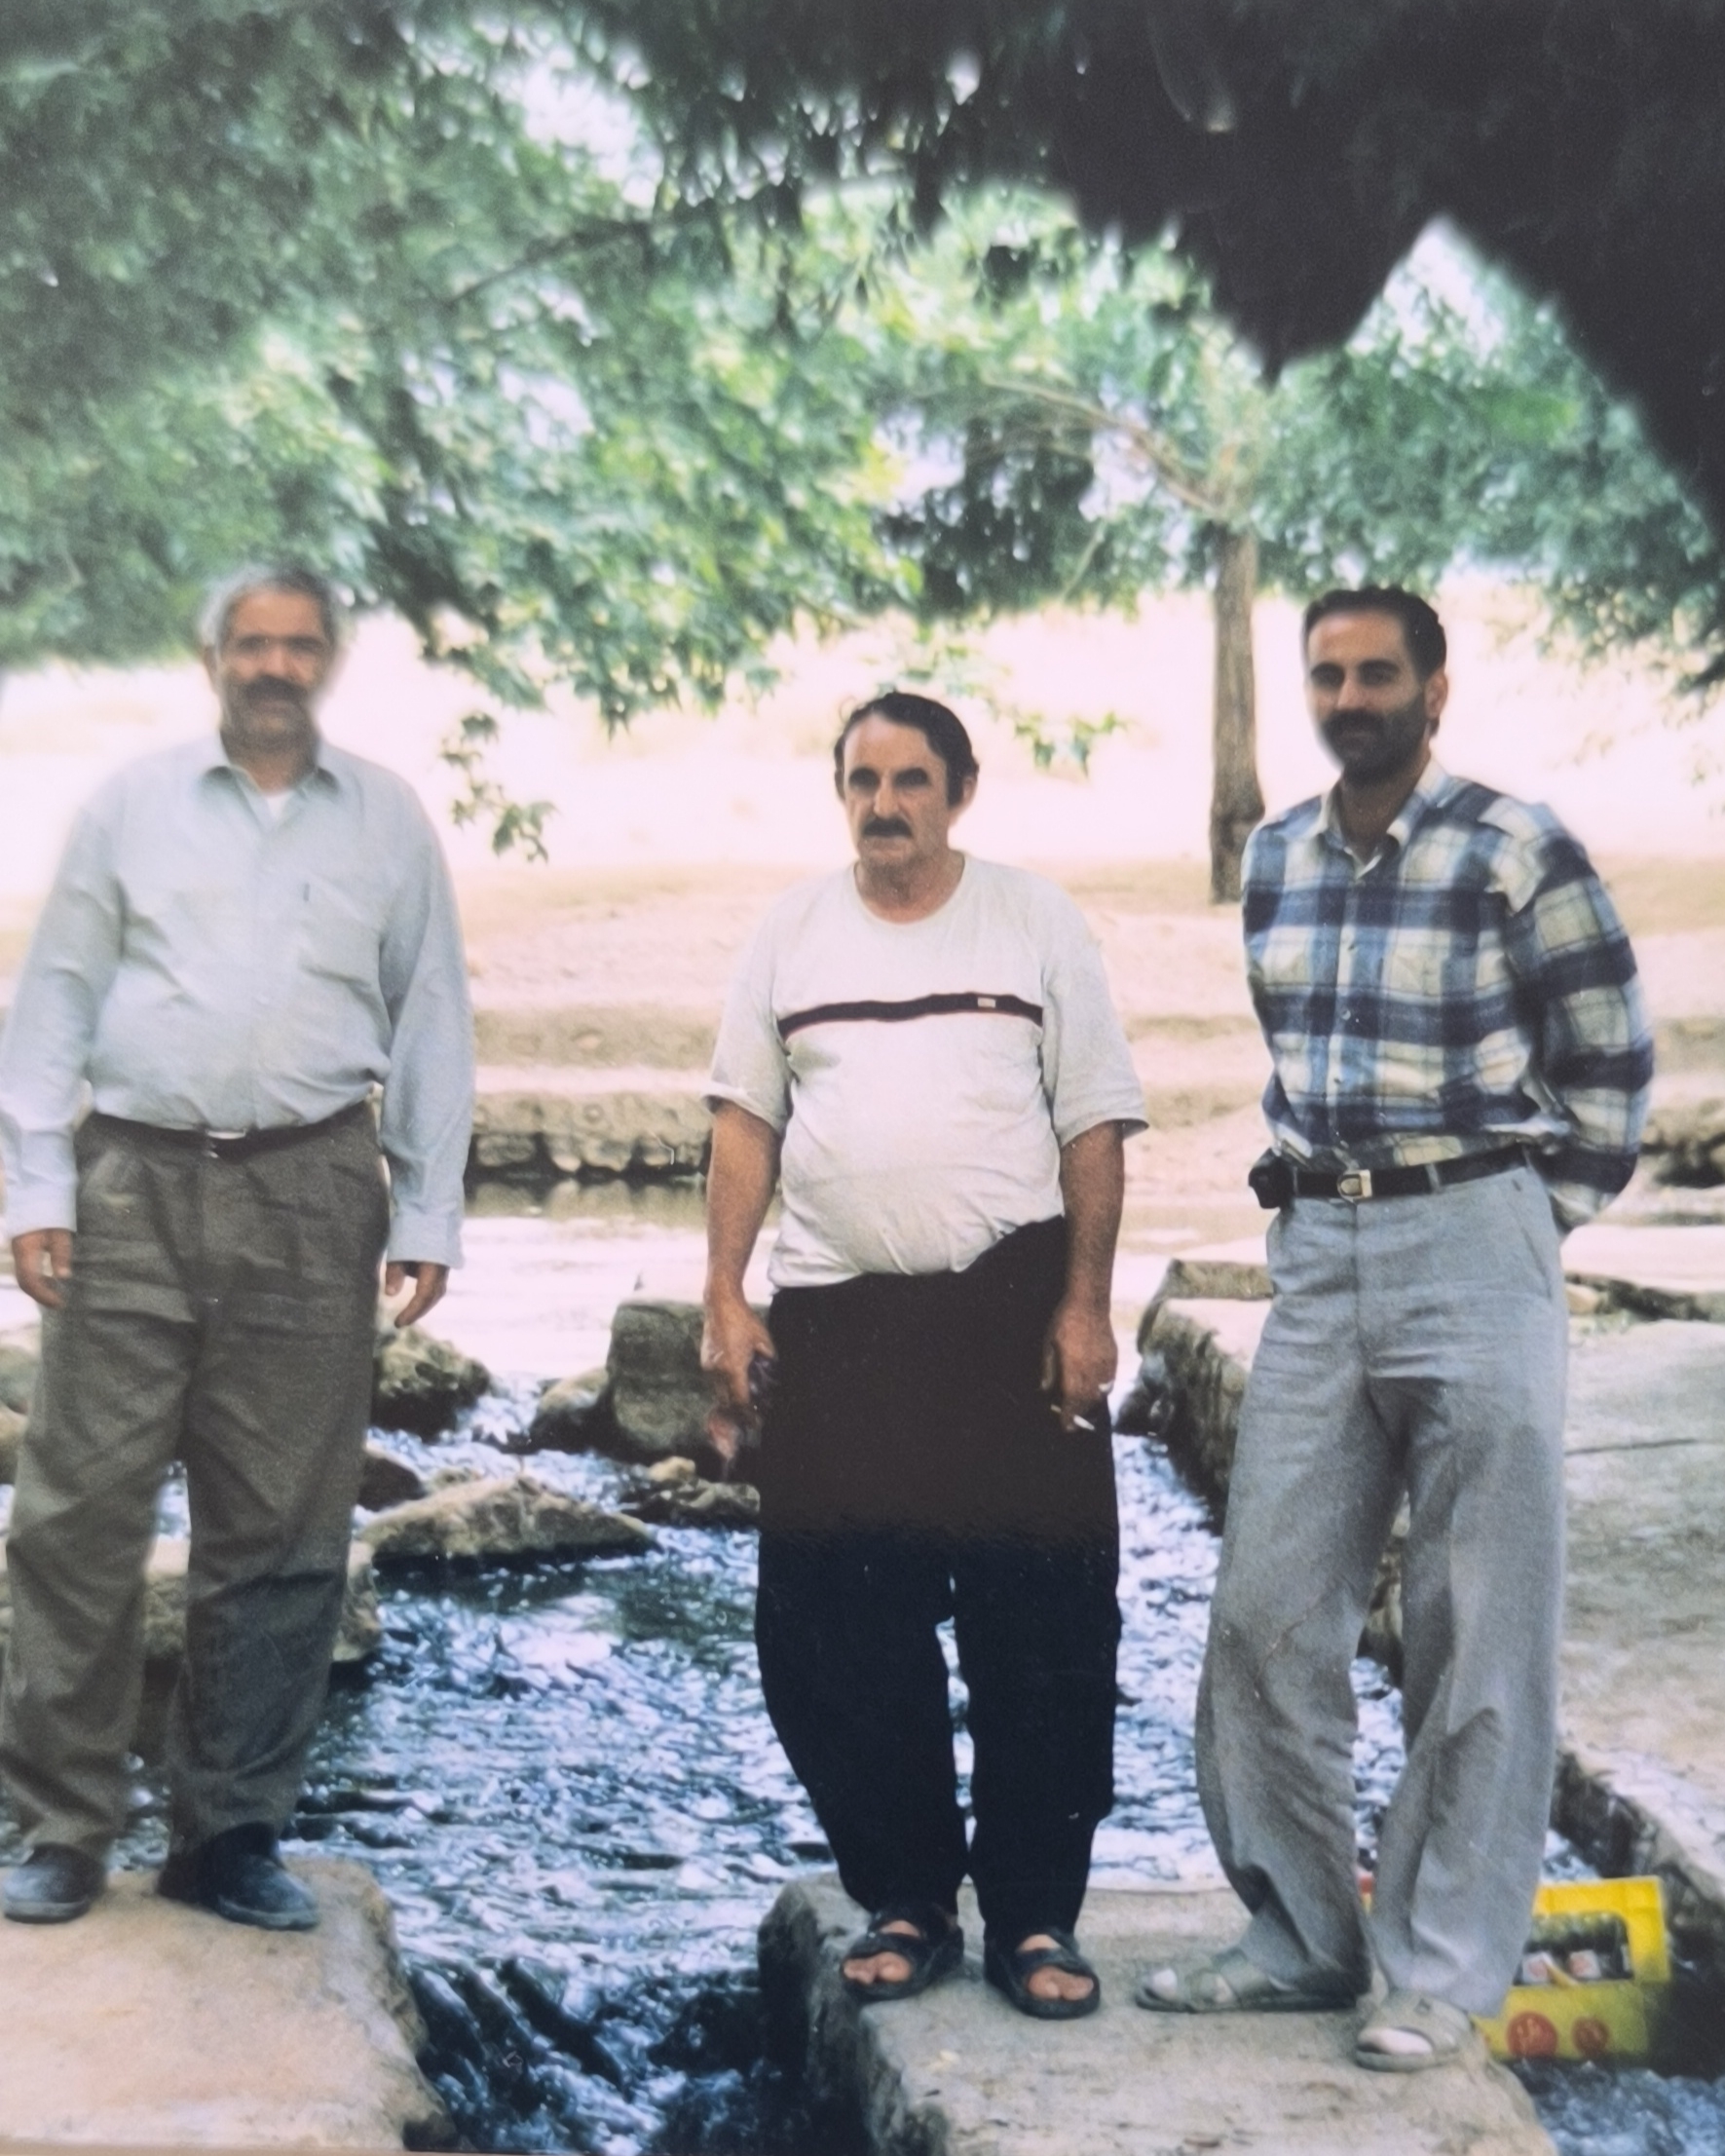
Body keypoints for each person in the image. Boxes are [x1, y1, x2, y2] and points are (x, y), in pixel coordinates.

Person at [1138, 588, 1653, 2068]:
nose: (1349, 698)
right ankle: (1301, 1937)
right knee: (1265, 1609)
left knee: (1476, 1621)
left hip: (1476, 1238)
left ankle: (1439, 1970)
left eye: (1377, 674)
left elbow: (1611, 1063)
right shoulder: (1277, 858)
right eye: (1328, 675)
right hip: (1319, 1248)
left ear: (1435, 691)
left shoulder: (1515, 846)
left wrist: (1523, 1222)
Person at [0, 563, 474, 1931]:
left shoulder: (385, 818)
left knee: (282, 1531)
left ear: (328, 661)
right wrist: (36, 1187)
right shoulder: (130, 807)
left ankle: (228, 1837)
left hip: (312, 1186)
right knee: (76, 1518)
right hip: (131, 1183)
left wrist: (426, 1208)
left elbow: (430, 1011)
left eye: (299, 645)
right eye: (251, 644)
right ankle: (62, 1829)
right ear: (212, 657)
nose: (275, 666)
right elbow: (57, 997)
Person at [701, 691, 1144, 2020]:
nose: (884, 804)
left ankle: (1035, 1914)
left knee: (1045, 1623)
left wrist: (1085, 1304)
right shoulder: (790, 932)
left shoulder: (1034, 921)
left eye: (910, 780)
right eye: (863, 780)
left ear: (960, 790)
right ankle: (905, 1894)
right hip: (839, 1322)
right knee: (832, 1628)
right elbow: (744, 1124)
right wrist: (724, 1293)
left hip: (1012, 1310)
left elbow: (1093, 1125)